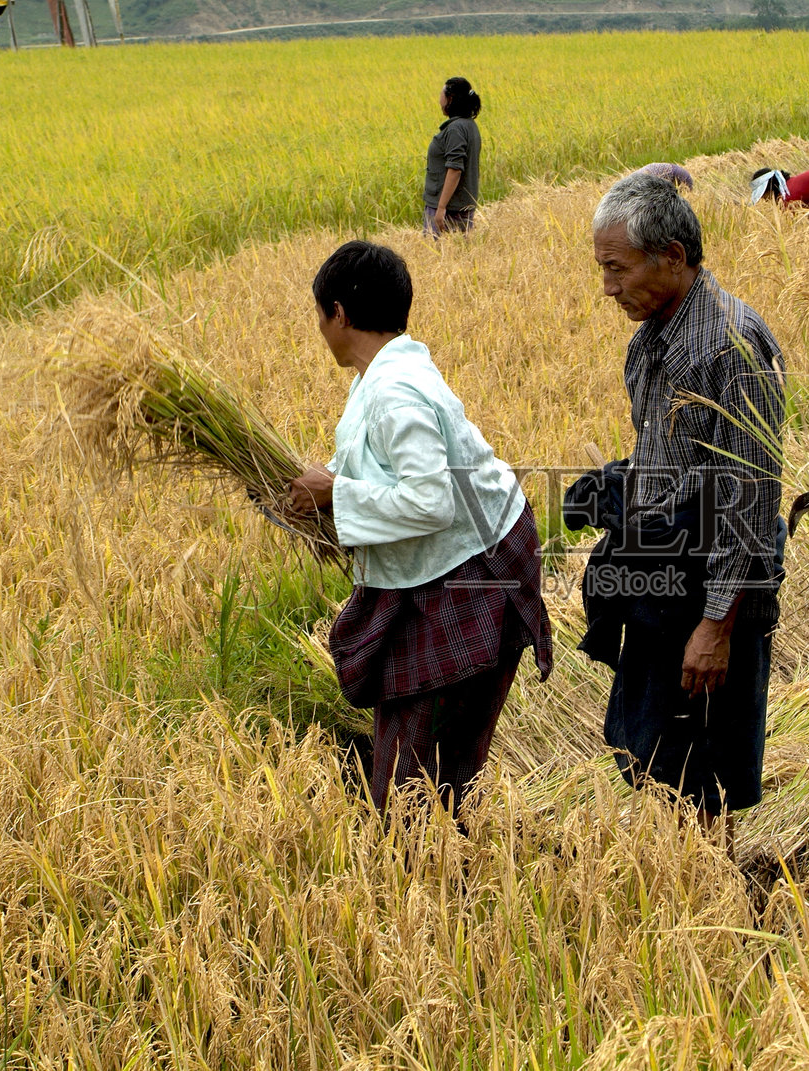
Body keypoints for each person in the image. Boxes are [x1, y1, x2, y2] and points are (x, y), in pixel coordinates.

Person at [288, 240, 552, 814]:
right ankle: (444, 852)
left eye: (319, 315)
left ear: (339, 313)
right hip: (463, 561)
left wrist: (336, 492)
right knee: (431, 755)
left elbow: (430, 501)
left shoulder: (394, 390)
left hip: (473, 570)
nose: (320, 329)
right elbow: (389, 462)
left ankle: (430, 866)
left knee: (417, 771)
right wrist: (331, 478)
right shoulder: (386, 372)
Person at [582, 172, 786, 847]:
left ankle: (708, 899)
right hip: (668, 577)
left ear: (671, 255)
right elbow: (664, 455)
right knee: (658, 752)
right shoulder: (653, 339)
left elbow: (748, 498)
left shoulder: (728, 347)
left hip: (710, 588)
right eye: (602, 268)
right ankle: (679, 879)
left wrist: (716, 625)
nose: (608, 286)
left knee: (702, 766)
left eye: (618, 267)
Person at [424, 76, 483, 237]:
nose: (439, 100)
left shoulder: (455, 129)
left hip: (449, 210)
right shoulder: (469, 125)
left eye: (441, 95)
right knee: (458, 257)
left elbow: (455, 169)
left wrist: (441, 208)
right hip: (460, 207)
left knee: (438, 257)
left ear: (450, 99)